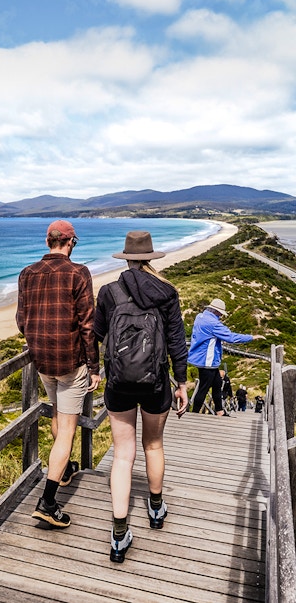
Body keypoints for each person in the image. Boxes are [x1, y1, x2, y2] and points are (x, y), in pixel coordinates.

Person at [94, 231, 189, 563]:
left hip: (118, 384)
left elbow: (96, 336)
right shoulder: (166, 292)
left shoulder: (108, 292)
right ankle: (156, 507)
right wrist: (182, 383)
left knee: (123, 455)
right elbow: (177, 342)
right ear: (150, 258)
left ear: (126, 258)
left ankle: (119, 533)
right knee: (153, 445)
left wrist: (95, 370)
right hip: (156, 383)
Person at [16, 219, 101, 528]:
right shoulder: (79, 273)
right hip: (71, 363)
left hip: (43, 362)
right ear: (71, 243)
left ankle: (62, 471)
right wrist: (94, 367)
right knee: (67, 429)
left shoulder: (27, 273)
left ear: (47, 241)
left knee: (56, 417)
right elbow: (87, 326)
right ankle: (48, 502)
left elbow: (22, 321)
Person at [188, 299, 265, 416]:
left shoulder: (200, 317)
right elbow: (231, 337)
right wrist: (252, 337)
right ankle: (193, 414)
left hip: (201, 357)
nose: (221, 316)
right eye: (220, 313)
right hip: (207, 360)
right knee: (203, 388)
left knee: (217, 384)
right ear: (215, 311)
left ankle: (219, 411)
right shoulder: (213, 324)